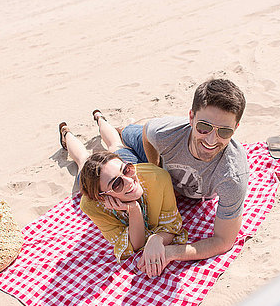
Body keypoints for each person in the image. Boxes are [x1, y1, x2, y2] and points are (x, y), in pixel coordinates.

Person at [116, 78, 250, 276]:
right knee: (126, 133)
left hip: (164, 167)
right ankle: (118, 128)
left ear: (235, 128)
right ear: (191, 117)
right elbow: (147, 133)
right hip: (159, 153)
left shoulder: (232, 176)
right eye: (203, 127)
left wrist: (170, 252)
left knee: (117, 157)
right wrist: (157, 172)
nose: (212, 140)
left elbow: (224, 241)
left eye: (224, 131)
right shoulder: (165, 133)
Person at [58, 111, 187, 278]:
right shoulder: (92, 205)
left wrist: (157, 239)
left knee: (115, 146)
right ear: (103, 196)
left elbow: (172, 226)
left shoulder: (158, 177)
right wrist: (134, 209)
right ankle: (66, 133)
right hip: (96, 179)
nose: (129, 181)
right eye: (118, 184)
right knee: (83, 160)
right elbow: (136, 244)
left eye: (127, 171)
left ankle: (100, 118)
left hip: (118, 164)